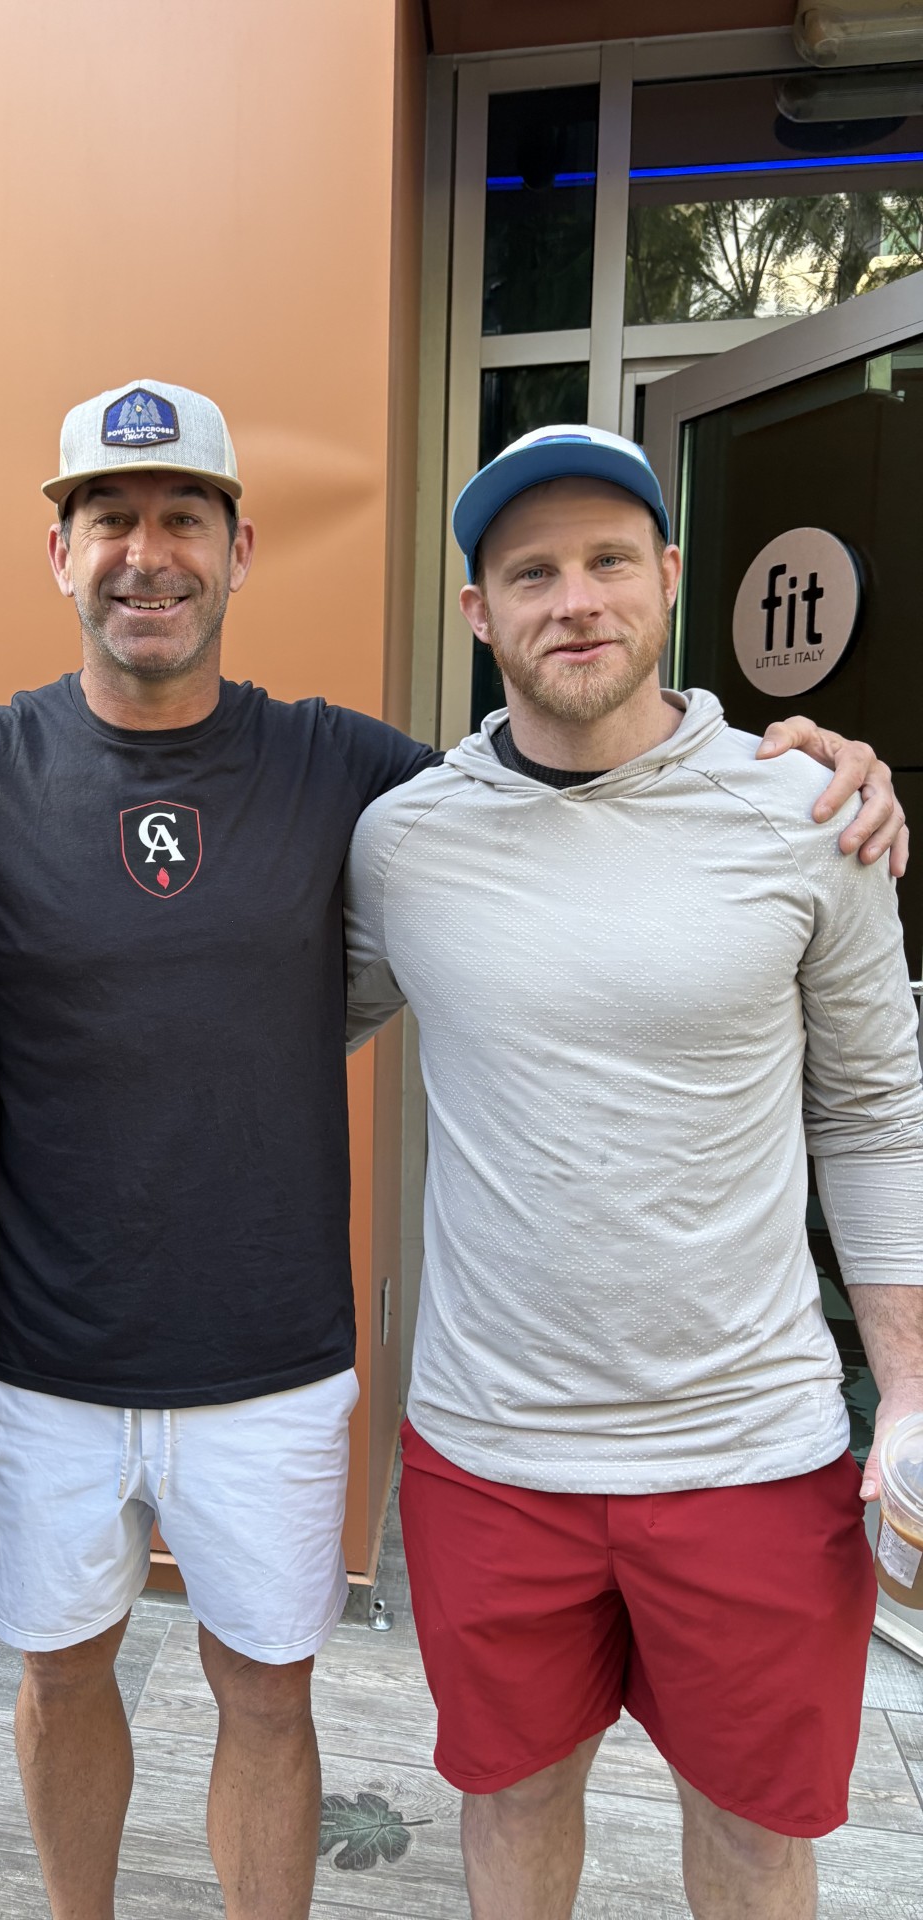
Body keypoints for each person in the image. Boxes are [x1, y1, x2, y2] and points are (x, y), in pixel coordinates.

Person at [0, 390, 904, 1920]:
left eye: (181, 519)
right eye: (110, 519)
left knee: (270, 1696)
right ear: (61, 552)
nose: (145, 554)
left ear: (240, 549)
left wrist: (779, 767)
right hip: (38, 1358)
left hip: (275, 1362)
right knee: (59, 1674)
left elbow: (562, 771)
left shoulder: (357, 777)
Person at [344, 425, 923, 1920]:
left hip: (750, 1449)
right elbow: (265, 1033)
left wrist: (911, 1393)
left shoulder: (810, 815)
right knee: (512, 1802)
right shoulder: (405, 843)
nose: (575, 599)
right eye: (532, 572)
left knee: (754, 1832)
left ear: (669, 576)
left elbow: (875, 1110)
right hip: (488, 1449)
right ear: (479, 613)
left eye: (608, 560)